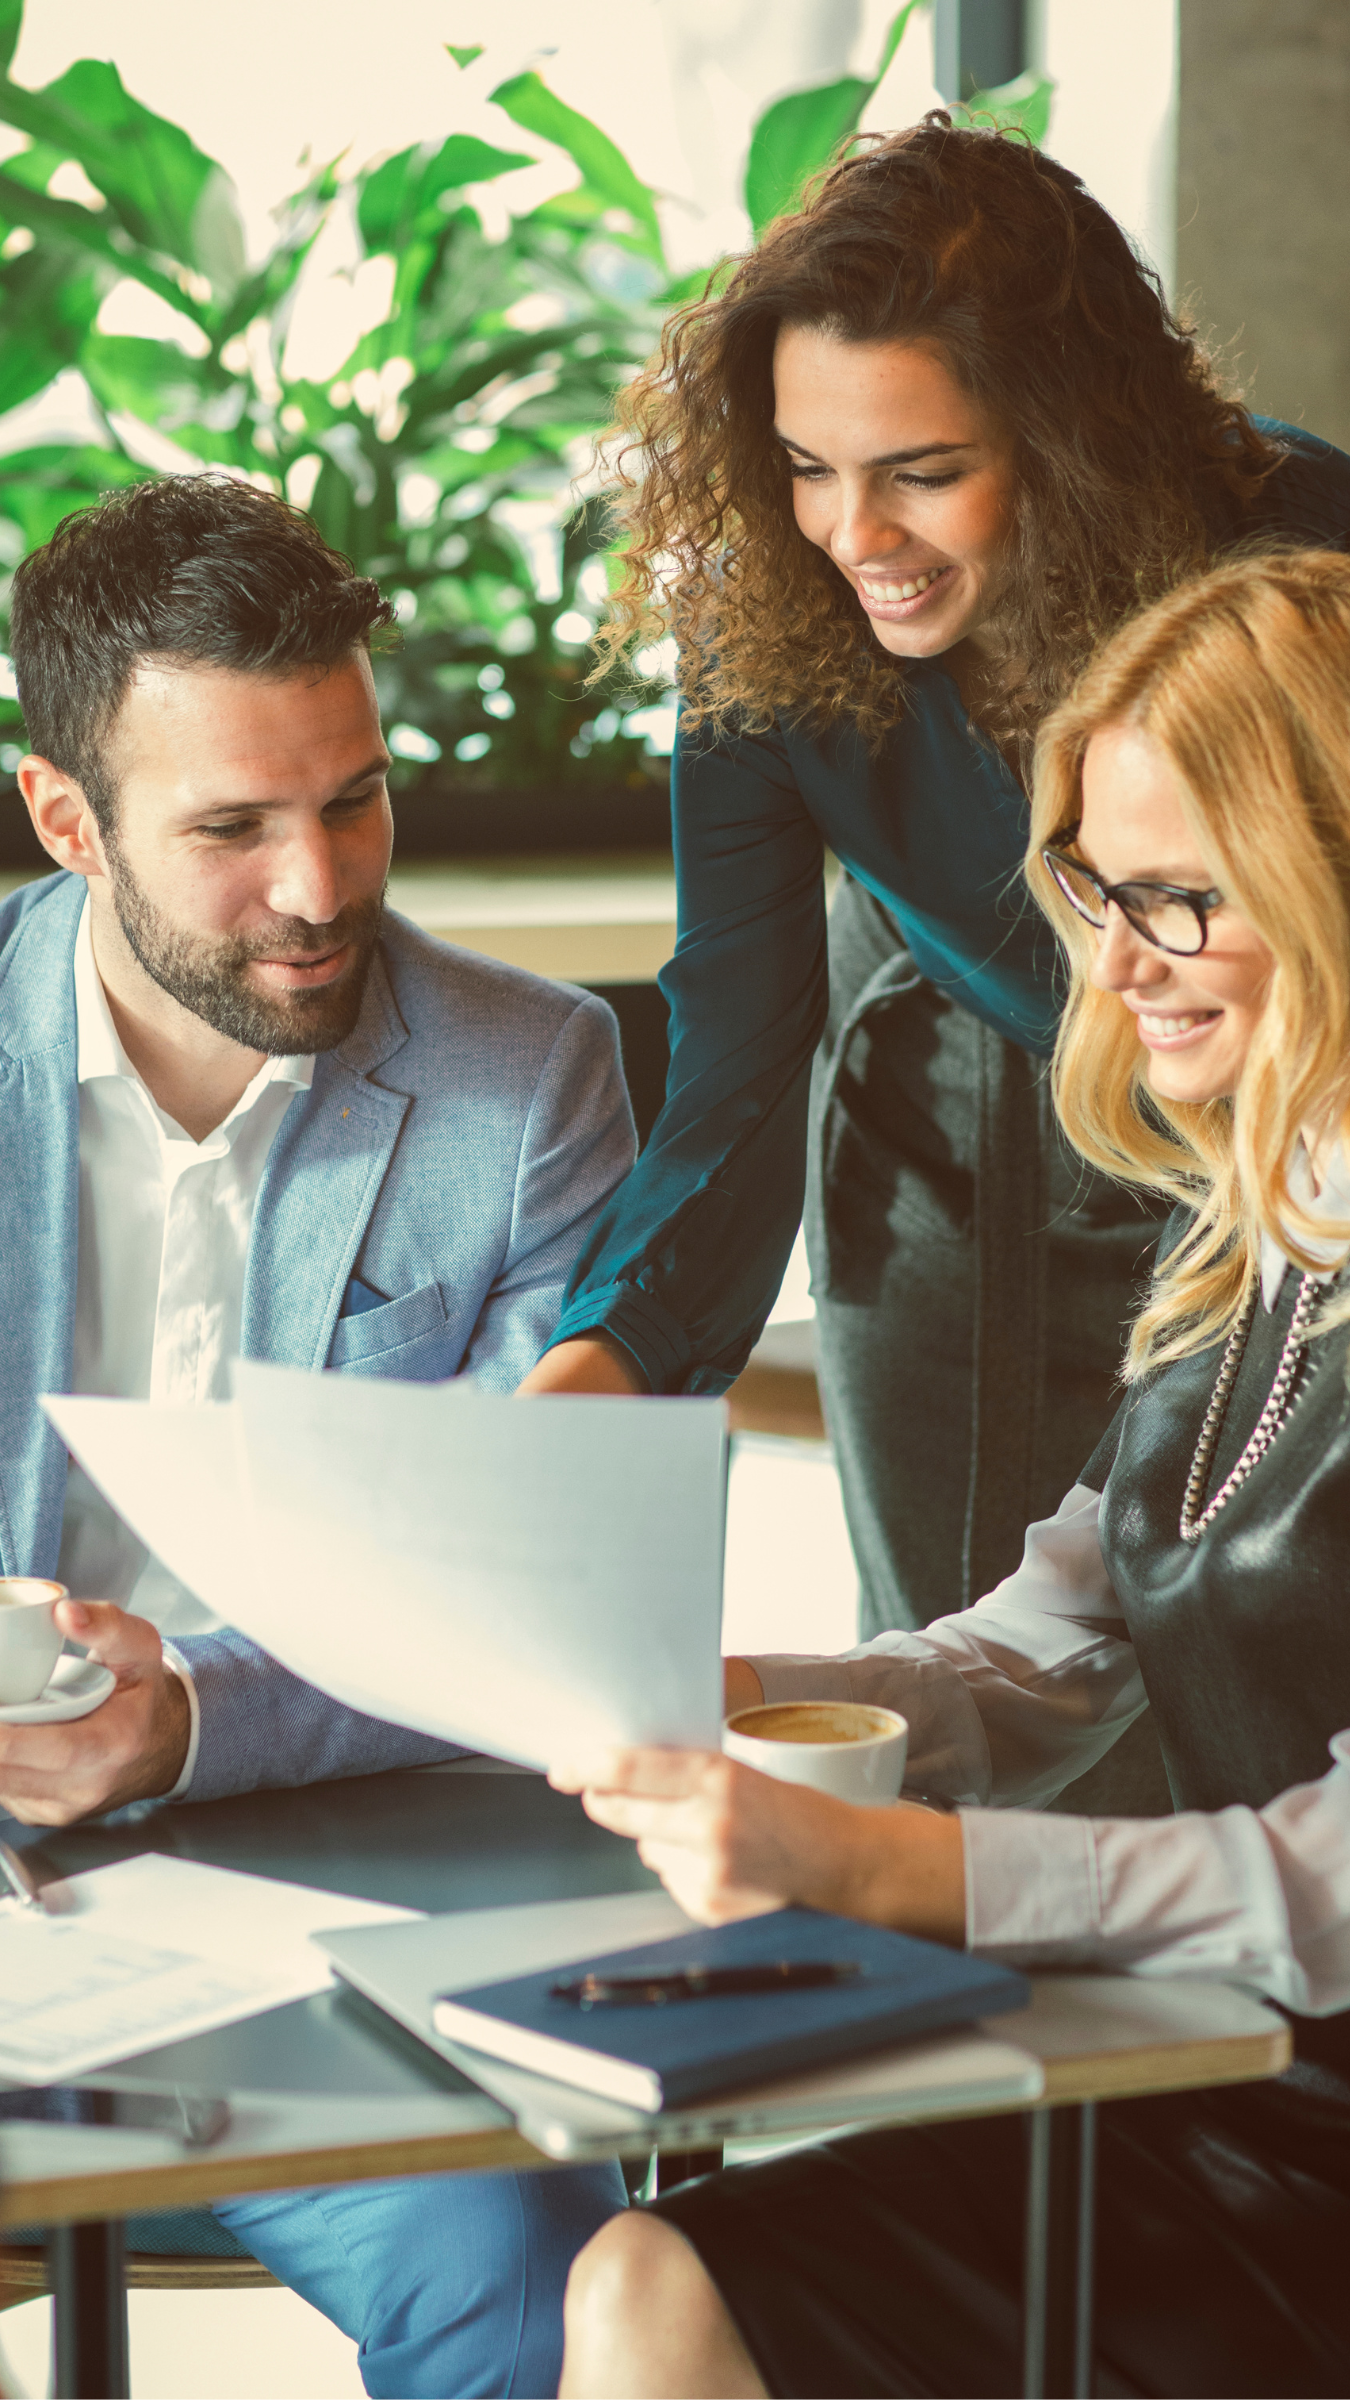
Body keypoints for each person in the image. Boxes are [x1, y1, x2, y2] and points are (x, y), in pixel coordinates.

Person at [552, 548, 1350, 2399]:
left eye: (1178, 898)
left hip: (1262, 2079)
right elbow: (1057, 1636)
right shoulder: (1260, 1218)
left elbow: (1326, 1887)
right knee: (643, 2273)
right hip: (1217, 2063)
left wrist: (910, 1869)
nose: (1116, 960)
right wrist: (747, 1701)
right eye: (1088, 881)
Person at [520, 117, 1350, 1815]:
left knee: (1260, 1683)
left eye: (918, 469)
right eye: (805, 464)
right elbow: (737, 1056)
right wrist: (591, 1375)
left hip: (1301, 1091)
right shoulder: (765, 612)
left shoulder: (1296, 551)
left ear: (1067, 434)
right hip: (970, 1110)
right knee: (967, 1690)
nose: (850, 532)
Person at [0, 475, 635, 2399]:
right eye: (230, 828)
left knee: (533, 2288)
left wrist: (193, 1714)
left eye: (352, 796)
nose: (320, 885)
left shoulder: (529, 1080)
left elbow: (527, 1600)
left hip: (347, 1887)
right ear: (62, 819)